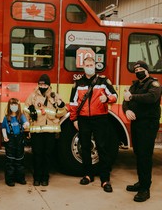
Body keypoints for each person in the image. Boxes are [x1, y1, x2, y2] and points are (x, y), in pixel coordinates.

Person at [69, 57, 117, 193]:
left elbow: (115, 95)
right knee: (85, 148)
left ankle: (105, 179)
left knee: (102, 147)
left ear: (95, 66)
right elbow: (73, 103)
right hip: (83, 119)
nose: (89, 67)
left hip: (100, 119)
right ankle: (88, 175)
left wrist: (107, 98)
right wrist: (74, 120)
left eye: (91, 65)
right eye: (87, 65)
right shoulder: (78, 83)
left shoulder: (103, 81)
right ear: (83, 67)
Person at [123, 61, 161, 202]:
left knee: (145, 156)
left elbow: (152, 98)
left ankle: (145, 189)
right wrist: (127, 110)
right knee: (138, 154)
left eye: (140, 68)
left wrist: (131, 97)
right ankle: (141, 182)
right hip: (137, 124)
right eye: (136, 69)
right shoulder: (134, 85)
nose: (138, 70)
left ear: (146, 70)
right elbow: (125, 101)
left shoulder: (153, 84)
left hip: (148, 125)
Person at [24, 74, 67, 186]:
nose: (42, 86)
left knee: (48, 155)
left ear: (49, 85)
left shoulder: (54, 96)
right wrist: (28, 125)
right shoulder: (32, 96)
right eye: (41, 84)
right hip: (36, 131)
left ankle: (45, 178)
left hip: (50, 131)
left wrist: (60, 106)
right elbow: (25, 111)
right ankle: (36, 178)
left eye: (45, 84)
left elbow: (63, 112)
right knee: (37, 154)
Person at [1, 98, 29, 187]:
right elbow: (3, 128)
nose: (14, 107)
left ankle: (20, 178)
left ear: (18, 106)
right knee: (10, 160)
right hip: (10, 140)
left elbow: (26, 123)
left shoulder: (21, 116)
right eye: (12, 105)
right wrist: (5, 136)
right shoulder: (6, 118)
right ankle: (10, 179)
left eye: (15, 105)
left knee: (19, 160)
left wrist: (26, 125)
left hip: (19, 140)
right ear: (9, 106)